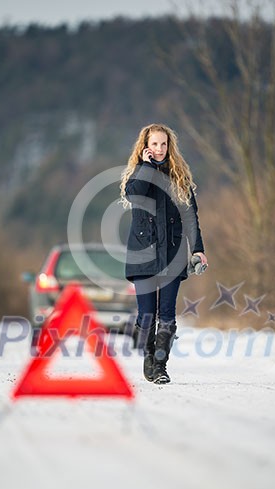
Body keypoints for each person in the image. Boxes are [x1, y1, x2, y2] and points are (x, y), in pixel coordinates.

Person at [120, 123, 207, 384]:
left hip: (173, 254)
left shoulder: (179, 178)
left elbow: (191, 219)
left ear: (169, 147)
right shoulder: (138, 175)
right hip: (142, 255)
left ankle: (160, 365)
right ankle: (148, 357)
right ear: (145, 147)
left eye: (163, 144)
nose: (159, 149)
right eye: (154, 144)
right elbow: (135, 195)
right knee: (146, 315)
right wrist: (147, 167)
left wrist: (199, 249)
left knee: (167, 314)